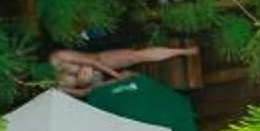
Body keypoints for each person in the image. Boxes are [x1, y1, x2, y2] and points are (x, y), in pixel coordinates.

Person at [50, 43, 198, 97]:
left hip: (100, 61)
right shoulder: (55, 86)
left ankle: (183, 51)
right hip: (97, 82)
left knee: (136, 56)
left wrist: (116, 74)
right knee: (133, 81)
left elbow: (91, 61)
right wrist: (114, 82)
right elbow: (84, 92)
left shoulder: (57, 58)